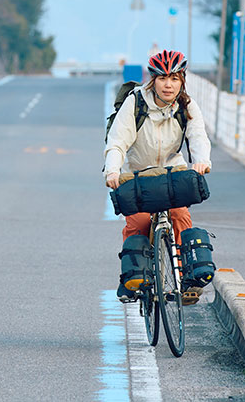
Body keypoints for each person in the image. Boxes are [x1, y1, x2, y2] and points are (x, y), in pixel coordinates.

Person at [104, 49, 212, 304]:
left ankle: (188, 281)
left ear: (182, 80)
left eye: (174, 78)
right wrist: (113, 170)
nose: (168, 84)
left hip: (173, 173)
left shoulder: (186, 105)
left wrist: (201, 162)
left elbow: (197, 136)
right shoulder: (136, 103)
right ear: (153, 80)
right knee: (139, 224)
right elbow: (117, 142)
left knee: (180, 216)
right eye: (163, 78)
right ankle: (132, 279)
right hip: (139, 176)